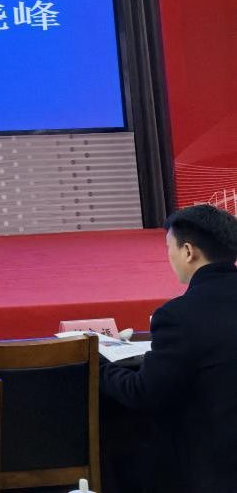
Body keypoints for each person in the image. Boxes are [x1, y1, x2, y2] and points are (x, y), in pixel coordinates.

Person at [100, 203, 237, 493]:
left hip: (215, 468)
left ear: (188, 251)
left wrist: (100, 367)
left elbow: (144, 392)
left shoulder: (179, 315)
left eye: (169, 247)